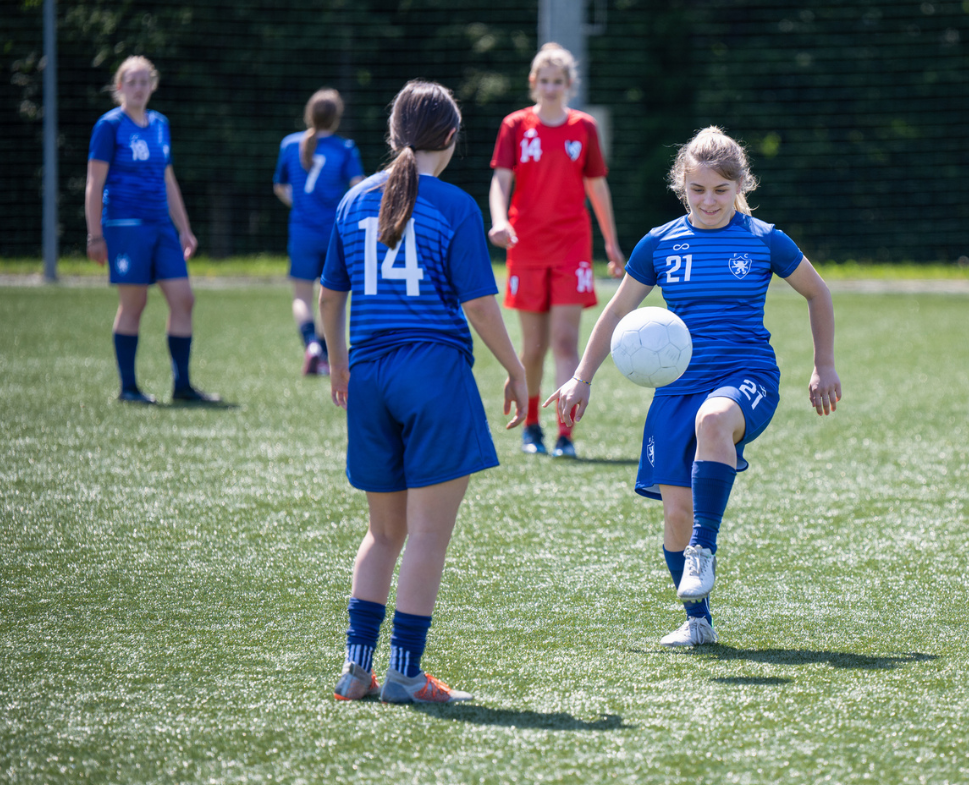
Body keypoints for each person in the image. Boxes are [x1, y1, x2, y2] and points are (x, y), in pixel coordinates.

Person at [546, 127, 842, 647]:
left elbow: (817, 294)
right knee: (676, 513)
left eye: (721, 191)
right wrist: (580, 377)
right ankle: (698, 621)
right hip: (677, 387)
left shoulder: (763, 238)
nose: (709, 201)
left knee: (713, 422)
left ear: (740, 187)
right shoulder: (659, 243)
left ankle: (703, 551)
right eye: (697, 190)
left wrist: (824, 365)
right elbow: (618, 311)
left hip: (747, 375)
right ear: (682, 186)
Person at [319, 80, 528, 704]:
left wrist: (337, 363)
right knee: (428, 535)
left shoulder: (352, 200)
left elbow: (331, 297)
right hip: (433, 374)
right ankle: (406, 676)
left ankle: (357, 671)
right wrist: (516, 371)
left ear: (393, 135)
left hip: (369, 376)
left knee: (383, 534)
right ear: (452, 139)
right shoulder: (456, 205)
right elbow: (481, 307)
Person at [488, 42, 625, 459]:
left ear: (569, 85)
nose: (550, 87)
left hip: (571, 247)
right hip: (526, 247)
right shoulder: (515, 125)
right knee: (533, 347)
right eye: (543, 80)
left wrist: (611, 241)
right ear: (533, 83)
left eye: (557, 81)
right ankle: (532, 426)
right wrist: (499, 219)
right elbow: (500, 180)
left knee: (566, 343)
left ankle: (566, 434)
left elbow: (596, 186)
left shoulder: (583, 128)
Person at [85, 56, 218, 404]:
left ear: (153, 86)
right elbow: (94, 183)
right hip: (125, 225)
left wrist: (184, 229)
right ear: (119, 87)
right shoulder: (109, 126)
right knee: (135, 302)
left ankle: (182, 386)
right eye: (132, 81)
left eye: (145, 81)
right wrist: (94, 234)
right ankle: (129, 388)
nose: (139, 87)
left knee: (183, 299)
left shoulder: (160, 124)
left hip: (161, 225)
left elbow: (167, 179)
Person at [273, 88, 365, 376]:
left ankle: (311, 346)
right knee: (332, 295)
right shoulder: (345, 148)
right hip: (334, 233)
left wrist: (300, 204)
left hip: (301, 231)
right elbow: (358, 188)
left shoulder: (289, 144)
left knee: (301, 295)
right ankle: (324, 353)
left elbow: (280, 186)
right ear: (336, 118)